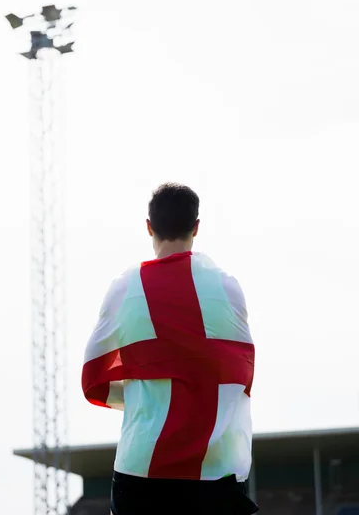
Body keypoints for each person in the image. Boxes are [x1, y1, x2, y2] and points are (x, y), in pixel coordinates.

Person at [82, 183, 258, 515]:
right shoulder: (229, 289)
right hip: (215, 468)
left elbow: (94, 381)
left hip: (142, 468)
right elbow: (239, 376)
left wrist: (149, 398)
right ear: (196, 227)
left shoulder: (123, 290)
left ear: (149, 227)